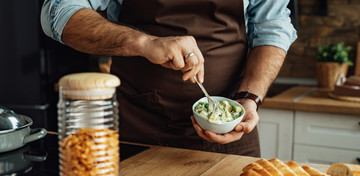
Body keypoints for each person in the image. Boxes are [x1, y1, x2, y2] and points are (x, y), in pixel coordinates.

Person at [41, 0, 297, 157]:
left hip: (231, 131)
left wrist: (249, 98)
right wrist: (142, 42)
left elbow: (272, 25)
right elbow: (57, 12)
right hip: (136, 125)